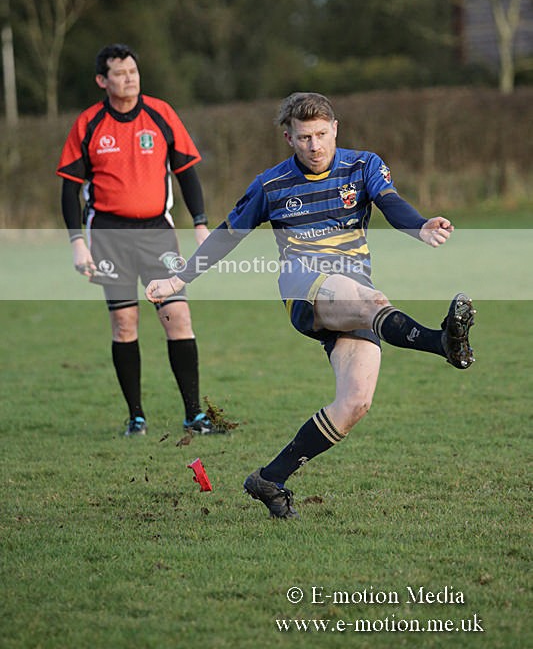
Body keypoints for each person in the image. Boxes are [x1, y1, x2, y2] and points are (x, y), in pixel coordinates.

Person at [145, 91, 476, 517]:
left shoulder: (363, 166)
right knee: (371, 301)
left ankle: (270, 478)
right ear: (288, 137)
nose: (314, 145)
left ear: (335, 129)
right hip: (304, 284)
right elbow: (228, 234)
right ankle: (441, 343)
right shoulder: (271, 184)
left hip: (352, 290)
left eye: (321, 134)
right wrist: (178, 278)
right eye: (304, 137)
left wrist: (420, 225)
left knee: (355, 402)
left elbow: (391, 204)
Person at [57, 43, 216, 437]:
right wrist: (77, 241)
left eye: (133, 71)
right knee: (124, 324)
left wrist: (200, 223)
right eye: (120, 73)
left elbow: (186, 173)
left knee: (177, 315)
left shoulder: (160, 114)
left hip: (157, 234)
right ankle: (136, 417)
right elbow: (69, 188)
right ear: (102, 81)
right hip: (109, 235)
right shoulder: (88, 123)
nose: (129, 78)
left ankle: (194, 415)